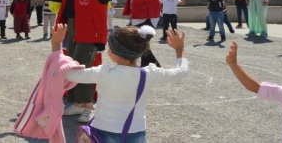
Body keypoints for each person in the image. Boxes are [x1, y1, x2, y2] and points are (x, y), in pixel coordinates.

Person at [54, 23, 188, 141]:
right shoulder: (149, 74)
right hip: (135, 132)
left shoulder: (103, 72)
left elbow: (69, 74)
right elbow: (181, 72)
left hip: (103, 129)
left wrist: (56, 46)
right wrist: (179, 50)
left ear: (113, 52)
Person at [35, 0, 114, 123]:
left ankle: (87, 106)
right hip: (70, 28)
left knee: (82, 68)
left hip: (90, 31)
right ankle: (76, 103)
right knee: (71, 66)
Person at [105, 0, 162, 68]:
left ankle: (148, 64)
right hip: (139, 15)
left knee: (137, 41)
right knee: (141, 42)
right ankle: (150, 64)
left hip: (147, 17)